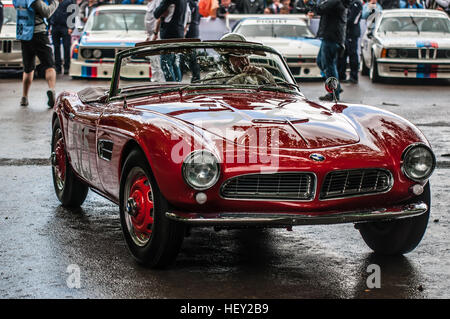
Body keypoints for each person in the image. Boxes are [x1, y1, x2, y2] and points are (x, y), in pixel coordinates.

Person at [13, 0, 59, 107]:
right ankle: (52, 90)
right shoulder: (34, 1)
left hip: (24, 35)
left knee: (28, 68)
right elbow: (46, 12)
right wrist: (55, 2)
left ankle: (24, 97)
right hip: (39, 34)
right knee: (49, 66)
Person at [312, 0, 350, 101]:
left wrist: (310, 2)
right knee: (320, 62)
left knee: (329, 66)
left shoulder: (335, 1)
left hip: (331, 38)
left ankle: (333, 92)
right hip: (330, 37)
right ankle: (336, 87)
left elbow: (320, 9)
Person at [203, 33, 275, 85]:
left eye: (245, 57)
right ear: (226, 60)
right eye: (238, 58)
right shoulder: (213, 78)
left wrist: (261, 72)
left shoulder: (257, 76)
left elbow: (274, 89)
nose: (244, 62)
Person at [154, 0, 187, 81]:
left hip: (169, 34)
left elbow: (156, 14)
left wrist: (162, 15)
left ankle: (172, 88)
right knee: (175, 63)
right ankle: (177, 87)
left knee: (166, 63)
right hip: (178, 33)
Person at [338, 0, 363, 84]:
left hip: (352, 33)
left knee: (352, 55)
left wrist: (341, 23)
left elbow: (352, 19)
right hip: (345, 33)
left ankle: (354, 76)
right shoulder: (348, 2)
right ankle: (341, 75)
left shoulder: (357, 3)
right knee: (342, 54)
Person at [49, 0, 74, 75]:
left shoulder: (69, 2)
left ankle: (66, 67)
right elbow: (49, 13)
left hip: (65, 27)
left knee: (66, 47)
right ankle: (58, 67)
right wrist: (49, 26)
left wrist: (71, 27)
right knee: (56, 48)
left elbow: (72, 15)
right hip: (55, 27)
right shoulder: (53, 2)